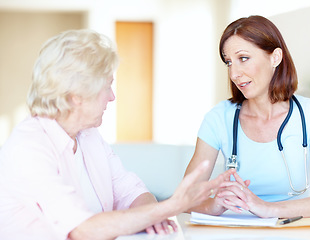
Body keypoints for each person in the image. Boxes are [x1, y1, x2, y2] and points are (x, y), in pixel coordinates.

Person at [0, 29, 236, 240]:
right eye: (106, 86)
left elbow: (132, 192)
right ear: (76, 96)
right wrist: (170, 207)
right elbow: (82, 230)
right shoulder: (28, 148)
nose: (112, 96)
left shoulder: (88, 136)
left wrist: (151, 216)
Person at [184, 15, 310, 219]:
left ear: (275, 57)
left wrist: (267, 209)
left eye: (243, 58)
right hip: (231, 232)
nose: (234, 73)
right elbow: (185, 199)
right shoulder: (218, 119)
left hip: (288, 231)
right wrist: (215, 205)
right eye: (228, 62)